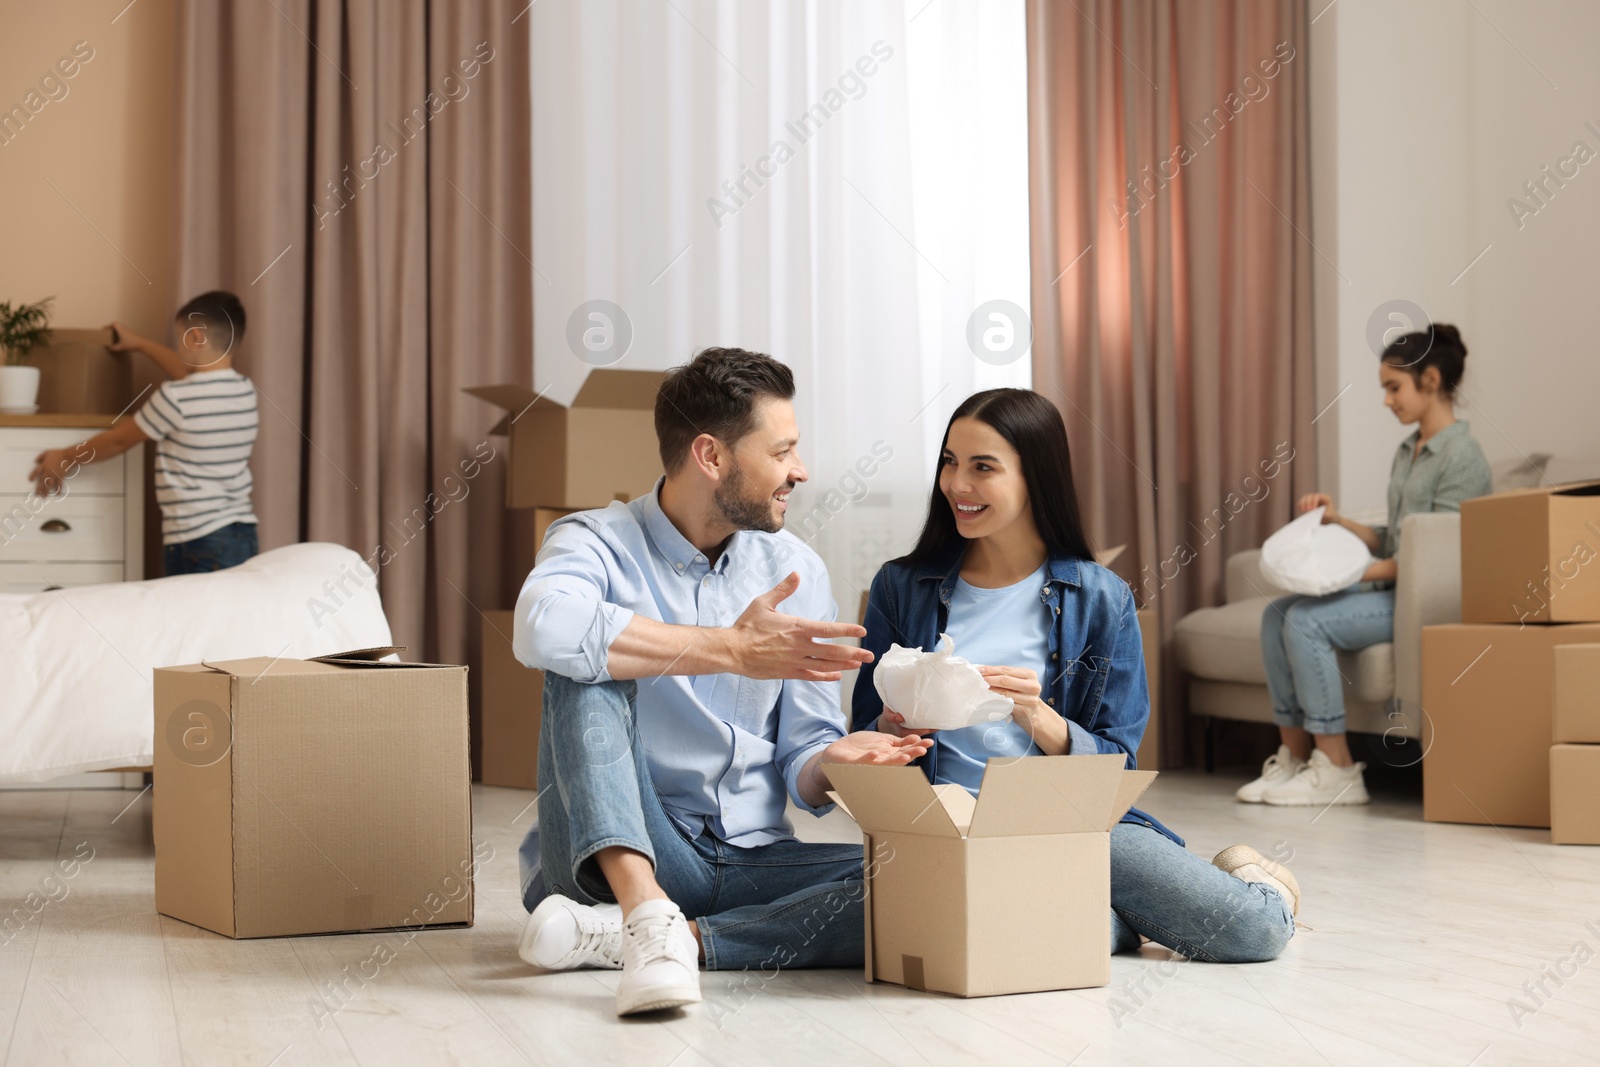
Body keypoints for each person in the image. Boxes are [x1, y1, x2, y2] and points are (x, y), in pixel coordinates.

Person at [512, 347, 931, 1017]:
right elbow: (540, 627)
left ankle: (671, 939)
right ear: (711, 456)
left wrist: (834, 758)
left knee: (926, 881)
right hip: (625, 846)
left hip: (753, 860)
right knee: (583, 662)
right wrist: (730, 649)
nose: (801, 470)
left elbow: (802, 757)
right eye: (783, 450)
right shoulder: (596, 540)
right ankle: (642, 907)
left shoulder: (796, 568)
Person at [853, 388, 1298, 964]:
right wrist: (891, 725)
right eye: (949, 462)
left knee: (1250, 934)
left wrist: (1039, 717)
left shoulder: (1100, 598)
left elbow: (1119, 764)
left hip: (1068, 821)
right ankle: (1105, 922)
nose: (957, 484)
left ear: (1035, 477)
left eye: (982, 467)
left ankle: (1262, 884)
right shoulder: (900, 586)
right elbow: (861, 733)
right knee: (906, 926)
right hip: (941, 826)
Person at [1243, 324, 1492, 806]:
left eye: (1393, 387)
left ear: (1432, 381)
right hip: (1392, 589)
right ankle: (1293, 759)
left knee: (1305, 621)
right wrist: (1338, 520)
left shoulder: (1462, 457)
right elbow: (1394, 538)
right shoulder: (1408, 450)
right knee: (1275, 614)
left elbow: (1435, 559)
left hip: (1424, 601)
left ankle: (1338, 770)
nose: (1386, 400)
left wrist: (1345, 575)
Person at [28, 291, 260, 576]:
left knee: (193, 618)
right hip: (241, 533)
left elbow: (118, 440)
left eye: (179, 339)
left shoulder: (177, 397)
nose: (178, 350)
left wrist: (64, 456)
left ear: (197, 337)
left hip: (196, 539)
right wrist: (138, 343)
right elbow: (192, 375)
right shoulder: (245, 390)